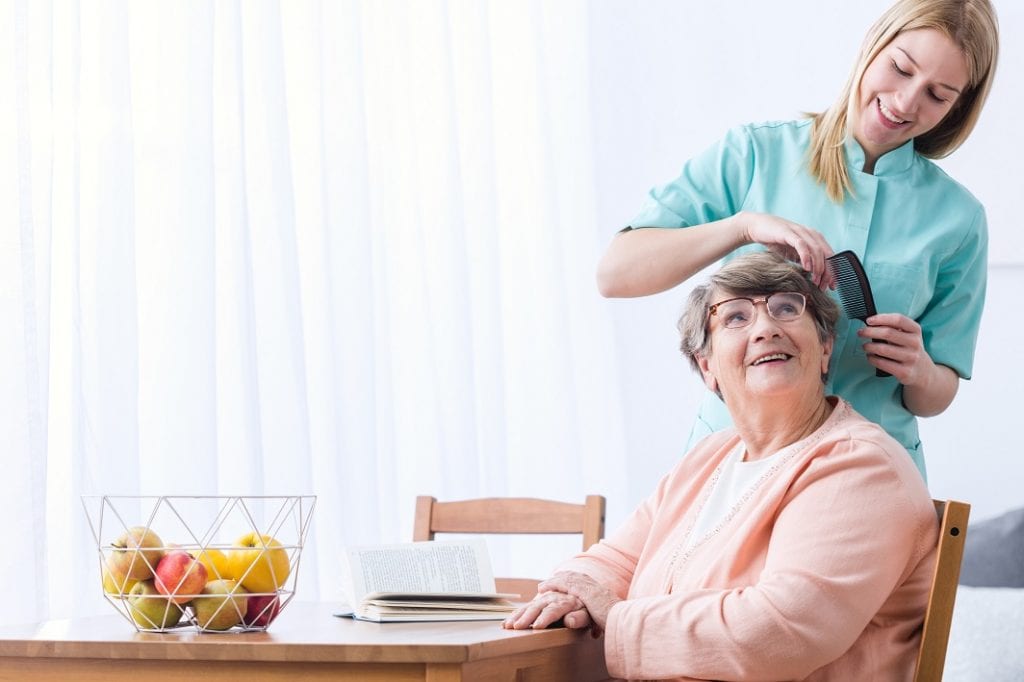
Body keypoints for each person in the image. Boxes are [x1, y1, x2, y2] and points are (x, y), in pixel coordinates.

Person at [596, 0, 999, 479]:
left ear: (958, 107)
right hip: (737, 462)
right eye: (900, 68)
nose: (907, 102)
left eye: (938, 94)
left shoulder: (959, 219)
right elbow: (616, 273)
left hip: (870, 475)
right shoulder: (754, 154)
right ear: (874, 46)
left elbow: (938, 392)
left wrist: (921, 370)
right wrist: (742, 227)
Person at [505, 252, 939, 681]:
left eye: (787, 309)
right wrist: (570, 590)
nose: (766, 328)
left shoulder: (860, 466)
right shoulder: (709, 457)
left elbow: (778, 632)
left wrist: (616, 617)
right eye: (734, 318)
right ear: (707, 366)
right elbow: (615, 560)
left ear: (825, 349)